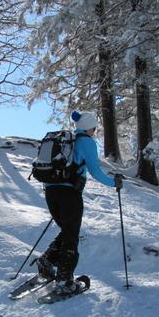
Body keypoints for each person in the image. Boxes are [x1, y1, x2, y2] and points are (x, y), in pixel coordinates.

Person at [36, 111, 124, 294]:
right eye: (94, 128)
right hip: (69, 195)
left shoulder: (67, 141)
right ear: (89, 127)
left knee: (68, 231)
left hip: (51, 191)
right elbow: (95, 171)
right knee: (71, 236)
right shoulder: (86, 142)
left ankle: (47, 261)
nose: (94, 132)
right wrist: (113, 182)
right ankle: (64, 280)